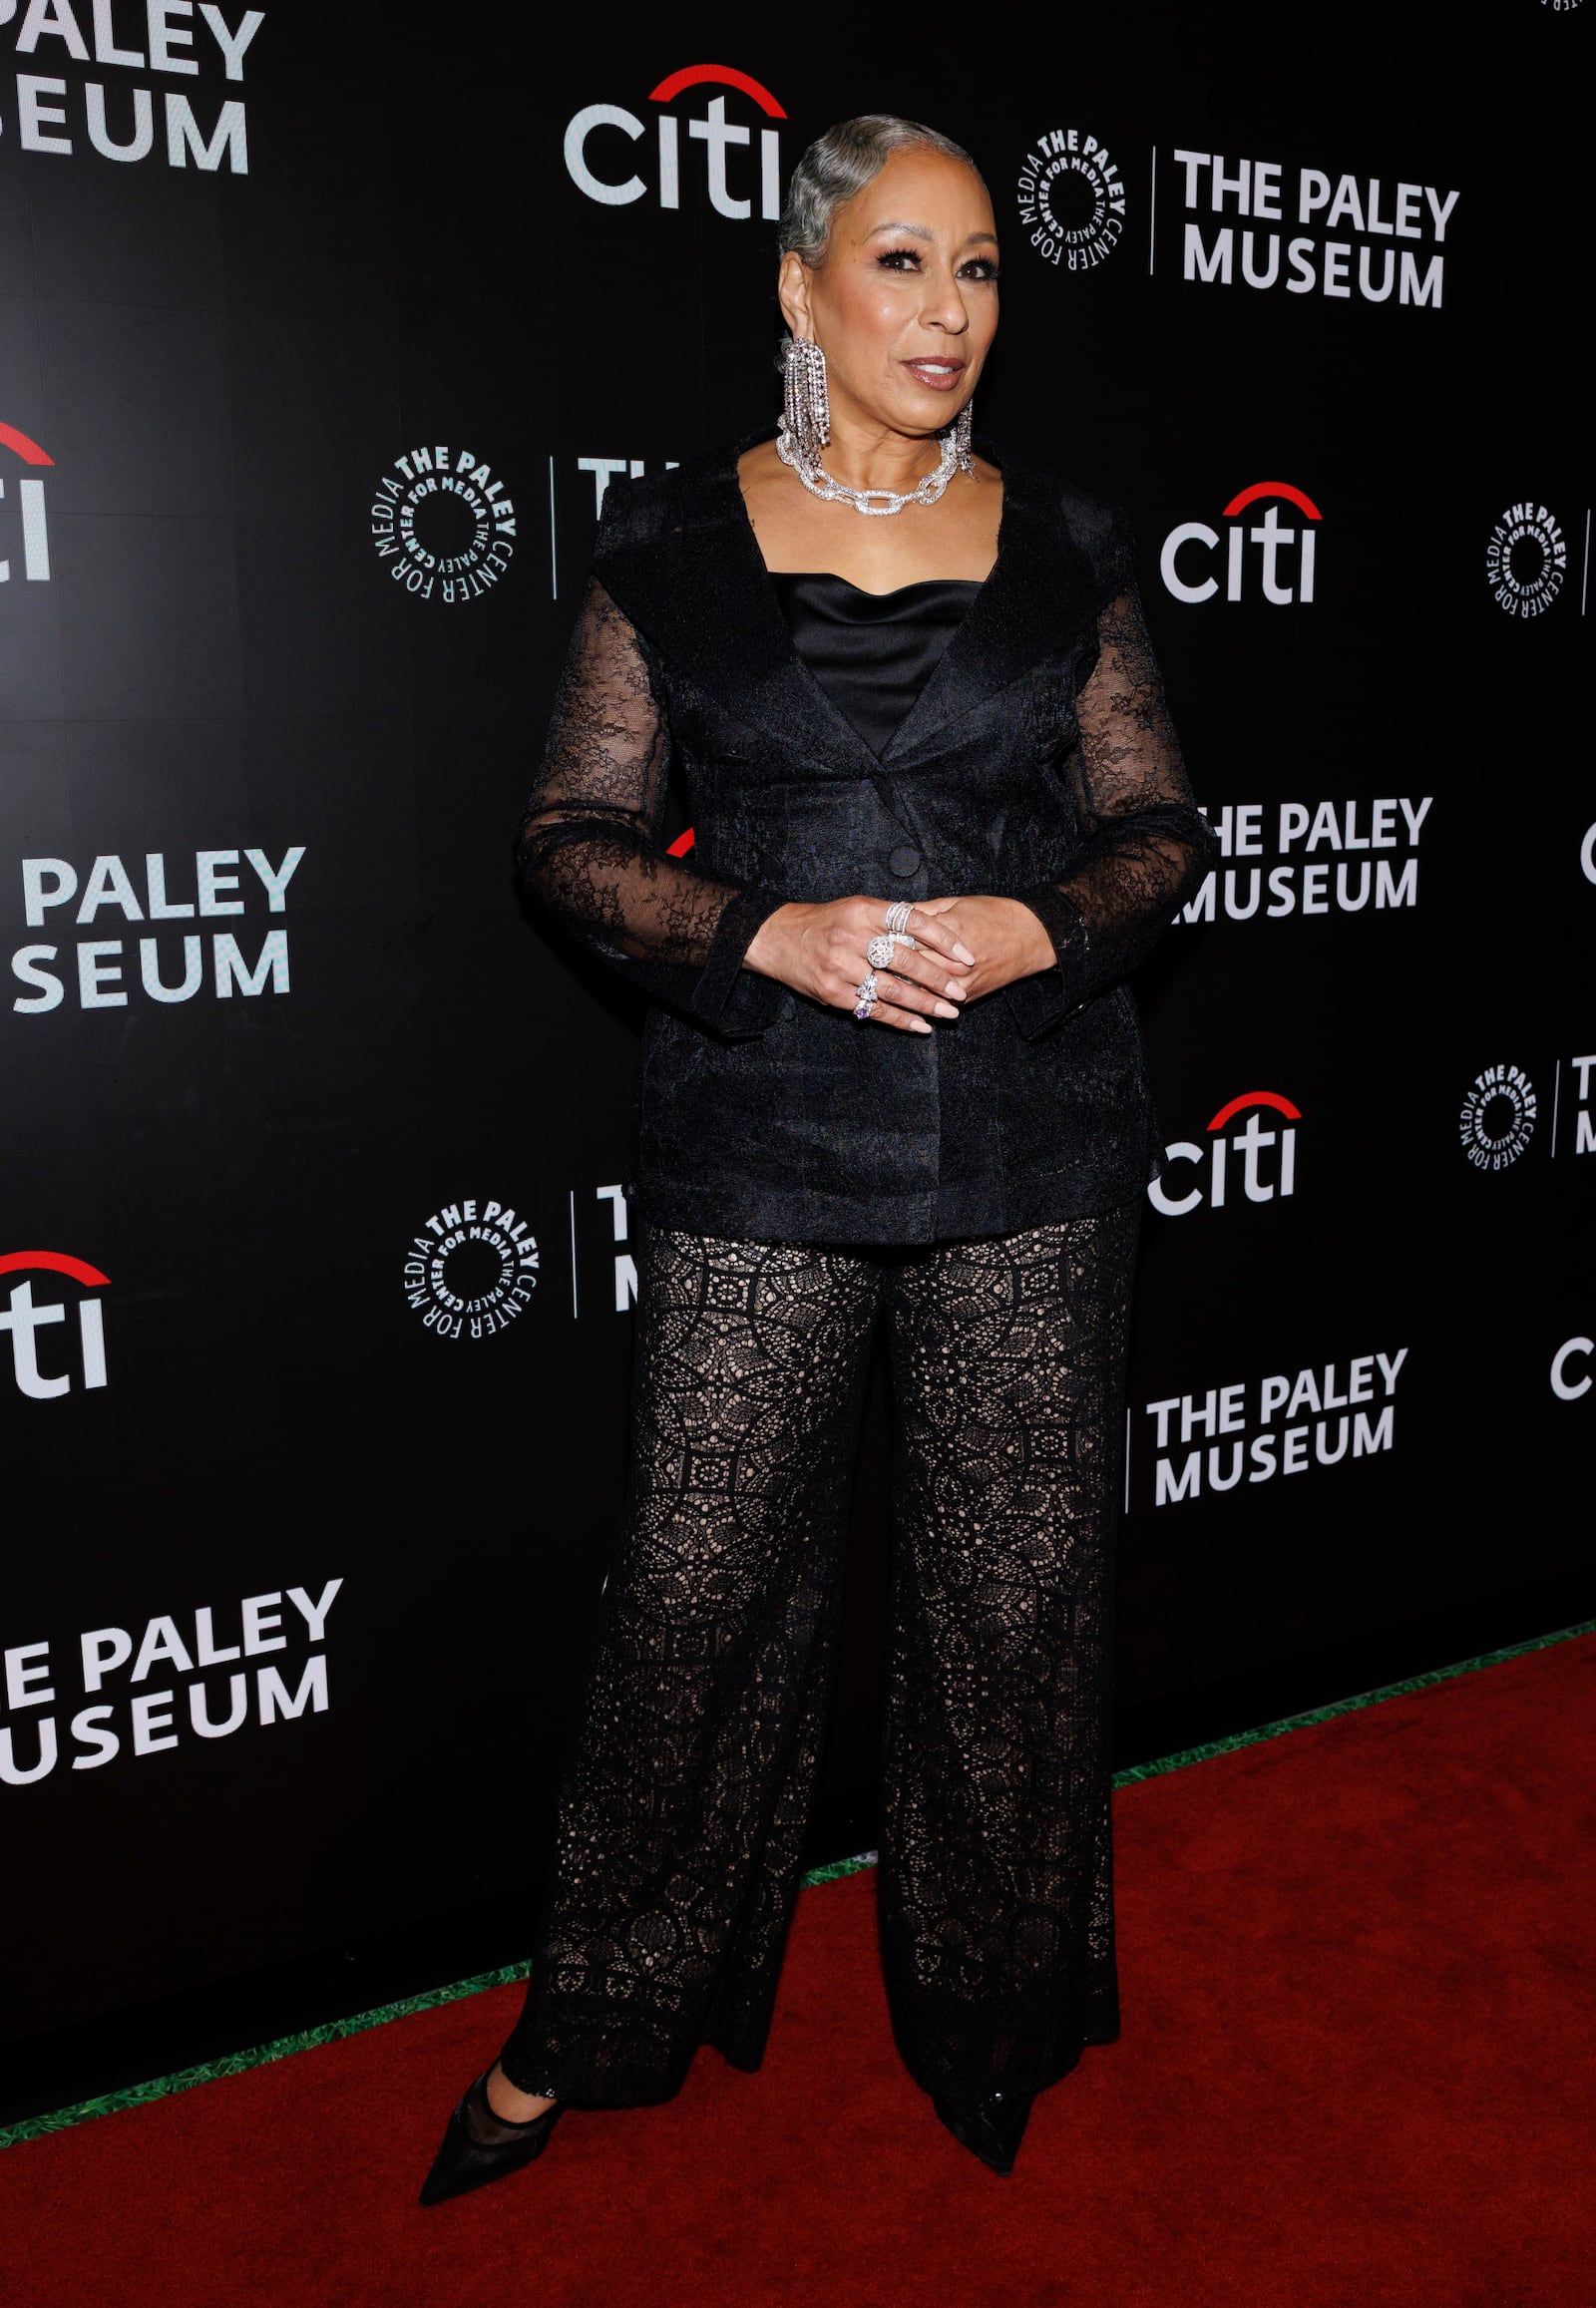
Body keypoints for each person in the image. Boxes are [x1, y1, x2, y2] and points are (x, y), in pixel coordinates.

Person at [421, 114, 1215, 2203]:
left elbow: (1155, 827)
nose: (946, 309)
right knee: (691, 1590)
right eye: (898, 264)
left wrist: (1043, 919)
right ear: (798, 287)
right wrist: (754, 925)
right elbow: (563, 841)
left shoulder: (1068, 544)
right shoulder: (671, 550)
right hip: (762, 1136)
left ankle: (993, 2000)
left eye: (975, 269)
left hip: (1031, 1143)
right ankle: (593, 2002)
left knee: (1016, 1596)